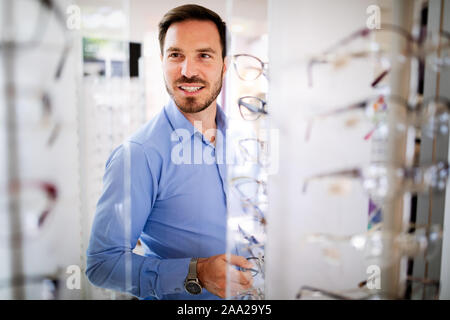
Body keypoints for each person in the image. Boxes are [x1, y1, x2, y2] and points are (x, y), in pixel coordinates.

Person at [85, 4, 254, 300]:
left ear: (224, 65)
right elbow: (102, 264)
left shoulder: (241, 141)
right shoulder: (138, 155)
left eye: (204, 55)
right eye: (176, 55)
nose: (188, 71)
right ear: (162, 61)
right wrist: (196, 273)